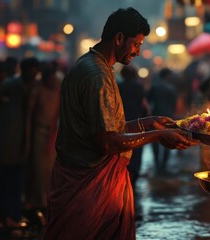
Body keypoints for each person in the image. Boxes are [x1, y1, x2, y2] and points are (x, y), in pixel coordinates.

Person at [43, 7, 197, 240]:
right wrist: (157, 136)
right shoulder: (97, 75)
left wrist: (150, 123)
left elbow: (110, 128)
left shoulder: (91, 65)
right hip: (90, 185)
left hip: (85, 179)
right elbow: (108, 142)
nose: (137, 51)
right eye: (136, 44)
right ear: (118, 38)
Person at [0, 57, 40, 237]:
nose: (33, 76)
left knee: (16, 183)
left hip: (22, 144)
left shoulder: (34, 87)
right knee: (2, 182)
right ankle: (1, 217)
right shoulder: (10, 87)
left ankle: (10, 216)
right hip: (6, 144)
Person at [23, 63, 61, 227]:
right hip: (38, 133)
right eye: (50, 79)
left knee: (49, 170)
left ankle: (46, 205)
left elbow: (57, 115)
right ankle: (37, 205)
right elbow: (29, 117)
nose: (52, 82)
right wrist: (27, 139)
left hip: (52, 134)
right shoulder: (37, 91)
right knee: (38, 170)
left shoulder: (58, 91)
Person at [118, 64, 150, 184]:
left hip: (123, 120)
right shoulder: (139, 87)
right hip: (137, 119)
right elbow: (143, 103)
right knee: (137, 145)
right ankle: (135, 171)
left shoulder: (119, 86)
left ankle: (126, 171)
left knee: (124, 145)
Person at [147, 67, 177, 173]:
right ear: (167, 76)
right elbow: (173, 104)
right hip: (167, 116)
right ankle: (164, 165)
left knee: (155, 139)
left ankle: (157, 163)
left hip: (156, 115)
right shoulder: (171, 88)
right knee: (168, 139)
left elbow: (148, 100)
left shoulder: (155, 87)